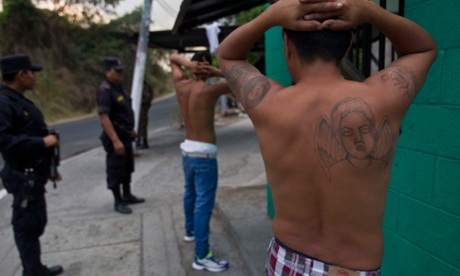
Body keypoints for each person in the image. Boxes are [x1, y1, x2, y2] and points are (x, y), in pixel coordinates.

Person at [216, 0, 437, 275]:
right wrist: (370, 10)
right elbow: (424, 47)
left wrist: (271, 15)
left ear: (287, 47)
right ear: (348, 45)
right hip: (352, 268)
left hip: (286, 260)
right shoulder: (382, 98)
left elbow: (227, 55)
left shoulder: (268, 103)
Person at [0, 54, 64, 276]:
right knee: (26, 226)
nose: (34, 78)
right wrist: (42, 142)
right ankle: (32, 271)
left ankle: (35, 268)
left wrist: (50, 168)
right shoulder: (4, 102)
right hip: (21, 176)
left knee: (35, 222)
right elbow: (4, 141)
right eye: (31, 73)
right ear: (21, 75)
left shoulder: (18, 100)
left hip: (34, 174)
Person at [170, 51, 232, 272]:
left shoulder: (181, 85)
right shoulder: (210, 89)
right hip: (204, 156)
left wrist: (187, 64)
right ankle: (202, 255)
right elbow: (241, 79)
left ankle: (190, 231)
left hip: (187, 152)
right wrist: (215, 71)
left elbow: (172, 57)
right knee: (204, 204)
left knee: (190, 193)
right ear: (204, 66)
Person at [96, 56, 145, 215]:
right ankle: (118, 201)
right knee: (116, 169)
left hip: (125, 134)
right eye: (116, 71)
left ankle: (127, 194)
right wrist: (115, 140)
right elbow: (105, 117)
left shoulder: (118, 88)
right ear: (107, 72)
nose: (120, 74)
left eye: (121, 71)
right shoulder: (105, 90)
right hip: (115, 136)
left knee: (127, 166)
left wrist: (130, 130)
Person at [136, 81, 153, 150]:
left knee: (142, 125)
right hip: (139, 108)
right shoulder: (138, 85)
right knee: (138, 125)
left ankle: (144, 141)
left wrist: (142, 102)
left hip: (142, 108)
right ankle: (138, 140)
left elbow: (148, 97)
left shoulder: (145, 86)